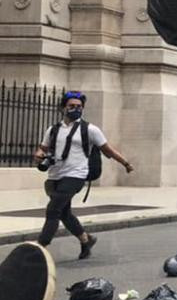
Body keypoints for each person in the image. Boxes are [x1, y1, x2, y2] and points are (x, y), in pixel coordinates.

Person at [32, 91, 133, 259]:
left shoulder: (90, 129)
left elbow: (108, 149)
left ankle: (41, 247)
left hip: (76, 175)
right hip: (55, 175)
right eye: (71, 106)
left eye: (79, 107)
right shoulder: (53, 129)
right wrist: (38, 155)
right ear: (63, 108)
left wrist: (126, 163)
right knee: (64, 213)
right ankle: (86, 240)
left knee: (53, 209)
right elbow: (43, 148)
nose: (75, 109)